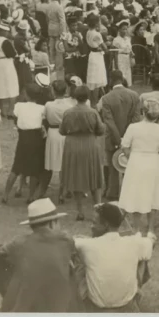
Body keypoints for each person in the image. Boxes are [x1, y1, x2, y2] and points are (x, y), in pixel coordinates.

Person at [0, 198, 80, 312]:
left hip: (27, 306)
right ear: (52, 223)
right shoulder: (66, 241)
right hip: (59, 305)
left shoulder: (19, 242)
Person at [74, 203, 154, 312]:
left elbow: (66, 243)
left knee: (78, 263)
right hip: (127, 306)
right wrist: (150, 237)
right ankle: (136, 293)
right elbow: (151, 241)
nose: (91, 226)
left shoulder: (86, 246)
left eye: (94, 223)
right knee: (142, 258)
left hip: (96, 308)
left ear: (106, 225)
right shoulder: (134, 243)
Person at [117, 99, 159, 231]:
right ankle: (150, 229)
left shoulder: (133, 127)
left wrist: (132, 157)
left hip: (136, 161)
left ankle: (137, 228)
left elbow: (124, 146)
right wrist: (151, 155)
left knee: (137, 193)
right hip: (152, 161)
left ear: (143, 112)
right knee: (151, 192)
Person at [59, 86, 105, 223]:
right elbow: (101, 130)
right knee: (94, 176)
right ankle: (97, 211)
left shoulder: (68, 112)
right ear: (87, 97)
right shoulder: (93, 112)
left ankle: (80, 211)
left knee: (76, 176)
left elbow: (62, 130)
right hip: (90, 143)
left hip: (73, 144)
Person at [98, 71, 142, 201]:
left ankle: (113, 193)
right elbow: (136, 118)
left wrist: (118, 140)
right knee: (130, 165)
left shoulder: (106, 98)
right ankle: (129, 192)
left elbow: (109, 122)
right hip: (130, 137)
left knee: (112, 166)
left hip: (112, 138)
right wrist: (127, 139)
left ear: (111, 80)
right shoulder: (134, 95)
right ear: (122, 79)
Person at [4, 85, 48, 204]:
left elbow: (15, 118)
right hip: (36, 138)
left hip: (23, 137)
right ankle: (31, 196)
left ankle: (5, 195)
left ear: (26, 95)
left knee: (16, 167)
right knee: (34, 169)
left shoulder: (19, 106)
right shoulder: (42, 108)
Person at [42, 79, 76, 198]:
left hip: (52, 133)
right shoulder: (69, 105)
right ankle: (65, 189)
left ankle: (46, 189)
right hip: (65, 134)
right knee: (64, 163)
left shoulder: (48, 105)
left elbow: (43, 117)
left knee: (53, 162)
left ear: (53, 91)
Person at [0, 23, 20, 119]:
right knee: (11, 86)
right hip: (6, 64)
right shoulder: (5, 41)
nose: (7, 33)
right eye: (6, 31)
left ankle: (1, 109)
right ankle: (11, 110)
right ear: (1, 31)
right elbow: (12, 53)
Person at [84, 15, 109, 98]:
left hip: (92, 55)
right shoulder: (97, 34)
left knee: (93, 79)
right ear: (96, 23)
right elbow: (105, 48)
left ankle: (94, 99)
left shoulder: (88, 31)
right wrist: (106, 46)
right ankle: (94, 101)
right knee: (97, 79)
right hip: (97, 57)